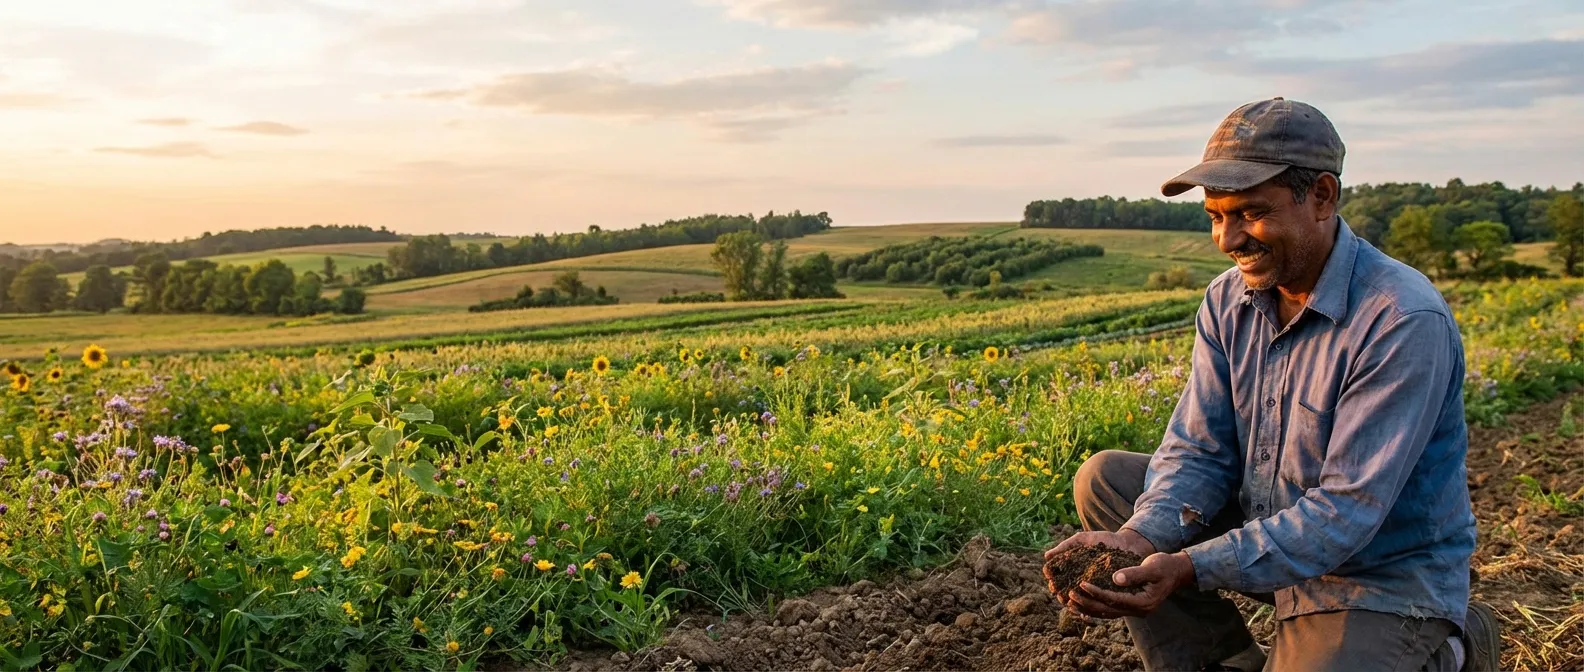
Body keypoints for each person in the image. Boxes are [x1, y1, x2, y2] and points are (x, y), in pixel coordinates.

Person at [1046, 98, 1500, 672]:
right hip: (1272, 532)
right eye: (1215, 216)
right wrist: (1140, 539)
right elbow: (1200, 449)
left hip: (1378, 575)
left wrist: (1189, 565)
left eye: (1252, 212)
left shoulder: (1400, 320)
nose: (1229, 238)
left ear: (1322, 197)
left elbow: (1345, 514)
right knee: (1108, 482)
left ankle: (1450, 653)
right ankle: (1225, 659)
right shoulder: (1226, 299)